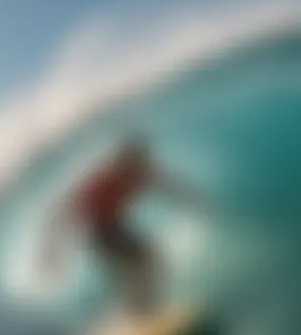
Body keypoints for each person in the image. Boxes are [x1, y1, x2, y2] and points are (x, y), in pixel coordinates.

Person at [39, 135, 202, 318]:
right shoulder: (105, 180)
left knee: (150, 264)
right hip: (100, 233)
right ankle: (139, 312)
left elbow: (165, 185)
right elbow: (64, 209)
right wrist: (51, 250)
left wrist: (191, 199)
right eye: (134, 165)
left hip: (115, 228)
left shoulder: (138, 175)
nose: (139, 169)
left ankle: (143, 310)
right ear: (123, 164)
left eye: (140, 164)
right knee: (143, 264)